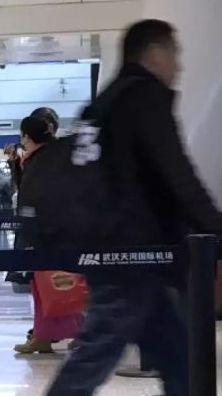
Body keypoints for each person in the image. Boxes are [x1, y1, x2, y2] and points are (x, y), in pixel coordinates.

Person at [45, 19, 222, 395]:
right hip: (135, 254)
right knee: (96, 356)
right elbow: (178, 176)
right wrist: (216, 229)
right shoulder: (144, 98)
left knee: (180, 359)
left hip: (122, 252)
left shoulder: (103, 102)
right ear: (155, 53)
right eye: (175, 53)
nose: (180, 65)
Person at [11, 116, 83, 354]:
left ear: (27, 137)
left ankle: (78, 334)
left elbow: (34, 198)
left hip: (46, 237)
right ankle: (43, 335)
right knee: (50, 288)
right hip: (59, 234)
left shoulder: (40, 162)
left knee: (57, 289)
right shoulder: (53, 157)